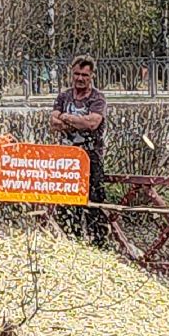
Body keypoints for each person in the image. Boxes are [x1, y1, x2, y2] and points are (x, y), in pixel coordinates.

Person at [50, 55, 109, 246]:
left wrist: (66, 118)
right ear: (71, 73)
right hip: (67, 159)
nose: (80, 78)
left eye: (85, 75)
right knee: (67, 202)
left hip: (91, 157)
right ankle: (70, 242)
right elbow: (53, 122)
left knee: (94, 203)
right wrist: (76, 122)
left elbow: (92, 123)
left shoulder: (97, 98)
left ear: (91, 76)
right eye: (77, 74)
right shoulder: (63, 96)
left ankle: (98, 245)